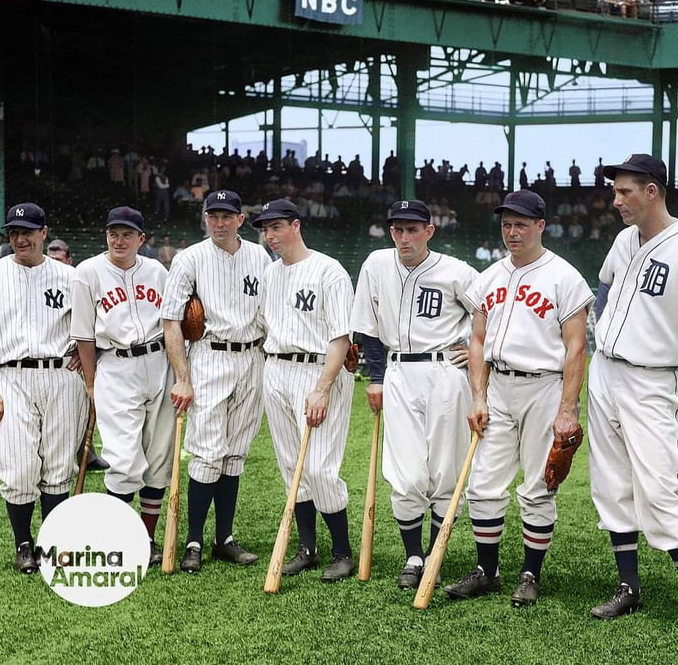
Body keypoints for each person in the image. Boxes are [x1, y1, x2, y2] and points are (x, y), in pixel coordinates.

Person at [444, 189, 593, 607]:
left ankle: (530, 573)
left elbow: (576, 349)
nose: (512, 232)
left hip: (544, 387)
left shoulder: (564, 277)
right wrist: (478, 396)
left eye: (522, 224)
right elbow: (476, 341)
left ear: (541, 226)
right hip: (499, 388)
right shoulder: (488, 277)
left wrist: (568, 408)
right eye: (507, 224)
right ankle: (487, 571)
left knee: (537, 487)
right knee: (484, 484)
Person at [350, 200, 477, 589]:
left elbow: (490, 313)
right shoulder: (375, 264)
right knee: (405, 474)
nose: (404, 237)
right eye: (398, 229)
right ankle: (413, 556)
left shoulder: (456, 271)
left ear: (429, 231)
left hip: (445, 372)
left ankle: (436, 554)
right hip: (398, 371)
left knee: (444, 470)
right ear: (391, 232)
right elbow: (367, 327)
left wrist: (474, 346)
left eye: (412, 229)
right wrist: (376, 377)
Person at [161, 190, 271, 573]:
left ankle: (223, 538)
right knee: (208, 452)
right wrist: (182, 378)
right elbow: (172, 321)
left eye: (227, 216)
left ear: (241, 219)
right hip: (210, 355)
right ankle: (193, 540)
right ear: (205, 218)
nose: (219, 222)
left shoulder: (259, 256)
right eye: (213, 215)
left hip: (252, 355)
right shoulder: (189, 258)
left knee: (235, 451)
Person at [588, 154, 678, 619]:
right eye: (615, 190)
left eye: (625, 191)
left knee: (661, 490)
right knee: (611, 485)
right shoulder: (624, 239)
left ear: (652, 191)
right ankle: (629, 586)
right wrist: (604, 332)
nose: (616, 199)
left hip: (651, 377)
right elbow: (604, 288)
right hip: (604, 371)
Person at [0, 202, 89, 573]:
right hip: (12, 376)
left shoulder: (69, 276)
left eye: (27, 232)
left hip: (61, 375)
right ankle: (24, 544)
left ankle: (53, 543)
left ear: (44, 233)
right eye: (13, 232)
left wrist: (86, 355)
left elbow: (90, 327)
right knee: (19, 466)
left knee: (59, 465)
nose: (19, 238)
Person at [251, 199, 356, 583]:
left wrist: (323, 388)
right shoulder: (269, 273)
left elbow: (341, 337)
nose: (270, 235)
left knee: (319, 468)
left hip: (316, 370)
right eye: (265, 229)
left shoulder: (329, 270)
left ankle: (342, 552)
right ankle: (308, 549)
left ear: (296, 226)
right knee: (291, 466)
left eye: (277, 226)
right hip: (276, 367)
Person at [70, 206, 176, 567]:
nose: (119, 240)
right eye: (113, 233)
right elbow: (84, 335)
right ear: (106, 236)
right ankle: (119, 539)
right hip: (115, 366)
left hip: (160, 363)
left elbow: (173, 323)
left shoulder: (158, 271)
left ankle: (146, 539)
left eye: (127, 234)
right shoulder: (87, 272)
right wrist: (90, 383)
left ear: (141, 239)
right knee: (125, 460)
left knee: (159, 458)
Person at [46, 238, 109, 472]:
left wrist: (89, 350)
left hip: (78, 356)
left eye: (59, 260)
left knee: (82, 405)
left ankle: (87, 453)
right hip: (50, 359)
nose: (55, 264)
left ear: (69, 260)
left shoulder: (78, 279)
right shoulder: (40, 279)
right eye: (51, 259)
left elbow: (100, 319)